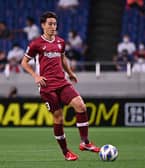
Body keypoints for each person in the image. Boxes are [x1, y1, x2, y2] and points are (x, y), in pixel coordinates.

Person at [21, 11, 100, 161]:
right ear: (43, 25)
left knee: (81, 106)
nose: (53, 26)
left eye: (55, 24)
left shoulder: (60, 42)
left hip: (62, 82)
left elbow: (63, 58)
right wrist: (36, 76)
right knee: (59, 118)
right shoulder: (36, 44)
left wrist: (70, 72)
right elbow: (24, 63)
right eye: (50, 24)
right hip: (47, 86)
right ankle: (66, 152)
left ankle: (85, 142)